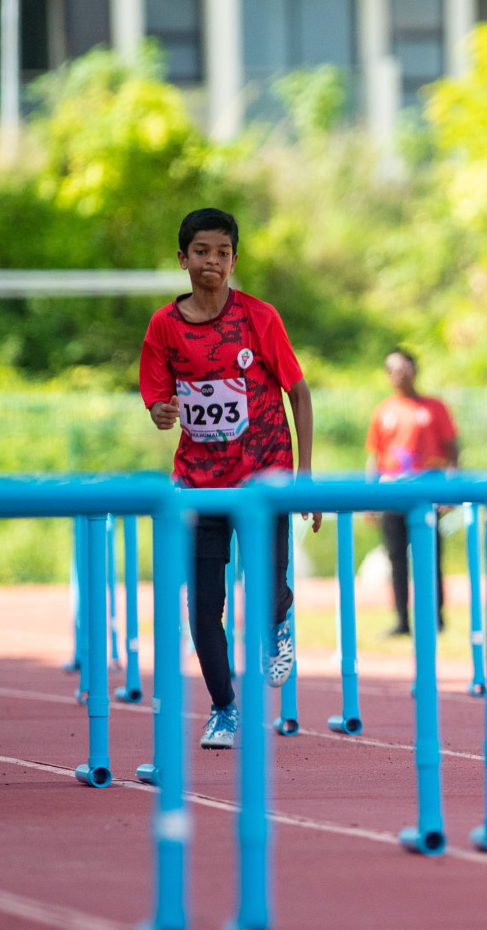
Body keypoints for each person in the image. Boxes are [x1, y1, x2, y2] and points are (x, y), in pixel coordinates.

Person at [140, 208, 321, 750]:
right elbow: (155, 395)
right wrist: (160, 412)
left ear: (234, 260)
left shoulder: (259, 318)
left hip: (265, 479)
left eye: (222, 253)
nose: (211, 262)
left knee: (263, 594)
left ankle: (279, 615)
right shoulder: (164, 327)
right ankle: (224, 709)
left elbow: (300, 394)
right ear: (183, 259)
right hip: (199, 483)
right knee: (204, 607)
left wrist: (305, 479)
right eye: (201, 252)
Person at [366, 349, 458, 636]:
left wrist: (450, 490)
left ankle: (436, 617)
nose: (398, 374)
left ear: (415, 370)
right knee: (396, 558)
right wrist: (369, 498)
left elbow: (452, 449)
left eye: (403, 368)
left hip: (426, 494)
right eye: (392, 369)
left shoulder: (434, 408)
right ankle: (402, 620)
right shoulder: (383, 411)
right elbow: (374, 456)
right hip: (393, 493)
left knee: (430, 555)